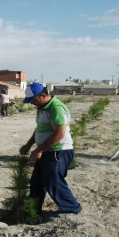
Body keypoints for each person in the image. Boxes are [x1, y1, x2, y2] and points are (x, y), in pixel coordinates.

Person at [19, 83, 81, 215]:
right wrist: (29, 144)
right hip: (47, 150)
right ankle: (33, 210)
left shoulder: (55, 108)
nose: (32, 103)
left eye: (33, 100)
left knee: (54, 181)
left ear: (43, 95)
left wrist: (38, 150)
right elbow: (40, 128)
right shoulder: (42, 107)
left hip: (58, 151)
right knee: (37, 182)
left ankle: (71, 208)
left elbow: (59, 134)